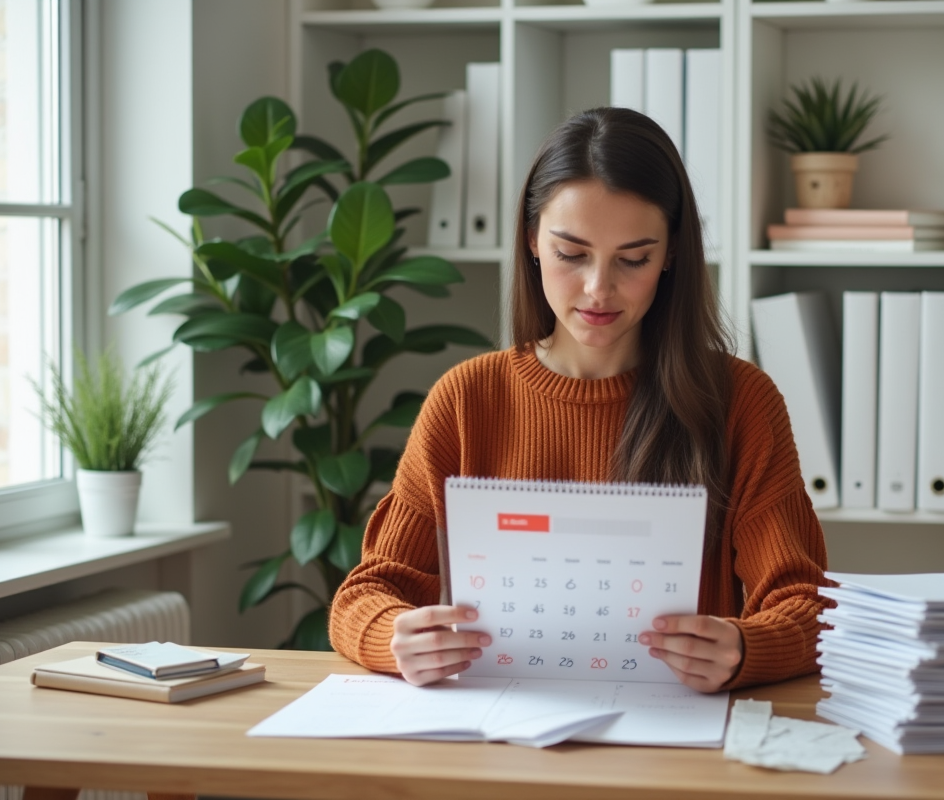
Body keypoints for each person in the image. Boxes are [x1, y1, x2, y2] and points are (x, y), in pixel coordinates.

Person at [329, 107, 829, 693]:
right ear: (532, 242)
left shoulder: (741, 401)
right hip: (501, 740)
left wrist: (746, 648)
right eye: (572, 254)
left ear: (671, 254)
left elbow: (808, 604)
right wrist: (395, 637)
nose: (598, 288)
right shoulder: (468, 398)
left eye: (634, 259)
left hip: (676, 749)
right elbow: (364, 594)